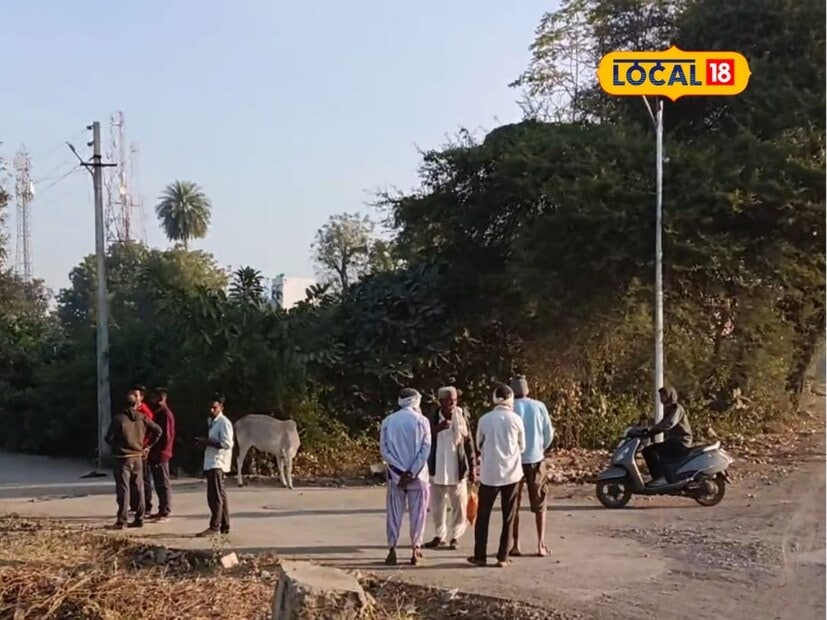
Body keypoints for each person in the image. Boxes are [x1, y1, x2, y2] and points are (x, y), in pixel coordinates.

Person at [468, 384, 525, 568]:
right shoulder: (516, 420)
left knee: (483, 516)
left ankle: (480, 556)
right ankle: (503, 557)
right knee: (508, 516)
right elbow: (522, 446)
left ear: (494, 398)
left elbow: (478, 444)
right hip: (512, 473)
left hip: (489, 474)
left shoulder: (485, 420)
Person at [379, 387, 432, 566]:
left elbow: (384, 451)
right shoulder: (422, 421)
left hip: (395, 477)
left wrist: (400, 471)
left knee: (394, 514)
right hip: (418, 476)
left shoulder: (388, 421)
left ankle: (392, 549)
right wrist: (411, 471)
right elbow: (426, 449)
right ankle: (415, 549)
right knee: (418, 514)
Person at [423, 386, 476, 551]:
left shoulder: (461, 416)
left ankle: (456, 537)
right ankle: (440, 536)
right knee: (437, 508)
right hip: (436, 470)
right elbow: (423, 438)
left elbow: (469, 443)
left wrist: (473, 466)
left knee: (459, 507)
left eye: (454, 400)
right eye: (449, 400)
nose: (453, 403)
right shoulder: (431, 418)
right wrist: (437, 429)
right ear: (441, 402)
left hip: (456, 470)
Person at [509, 375, 554, 558]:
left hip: (515, 461)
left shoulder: (509, 408)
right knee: (540, 503)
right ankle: (540, 544)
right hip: (536, 459)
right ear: (527, 390)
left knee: (514, 504)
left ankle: (515, 545)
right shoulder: (539, 406)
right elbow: (548, 433)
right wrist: (540, 447)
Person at [105, 392, 162, 529]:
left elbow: (108, 438)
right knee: (139, 488)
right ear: (136, 404)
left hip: (122, 458)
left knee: (124, 489)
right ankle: (139, 518)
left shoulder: (118, 419)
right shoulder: (142, 417)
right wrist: (147, 446)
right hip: (138, 456)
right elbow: (158, 430)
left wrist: (117, 444)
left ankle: (122, 520)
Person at [195, 395, 234, 536]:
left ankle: (215, 527)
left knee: (215, 496)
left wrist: (208, 442)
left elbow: (227, 443)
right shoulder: (212, 421)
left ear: (221, 408)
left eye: (215, 407)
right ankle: (225, 525)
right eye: (210, 407)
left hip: (218, 463)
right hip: (211, 461)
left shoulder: (224, 423)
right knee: (220, 495)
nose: (212, 410)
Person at [642, 386, 693, 487]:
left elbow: (669, 424)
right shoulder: (669, 409)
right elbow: (661, 425)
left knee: (651, 451)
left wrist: (652, 429)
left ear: (670, 395)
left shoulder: (676, 408)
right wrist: (647, 432)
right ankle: (661, 477)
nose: (661, 398)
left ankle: (660, 478)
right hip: (675, 440)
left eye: (664, 395)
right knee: (649, 450)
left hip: (681, 441)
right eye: (661, 396)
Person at [147, 388, 176, 522]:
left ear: (161, 399)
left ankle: (165, 511)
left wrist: (162, 452)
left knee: (163, 483)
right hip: (155, 454)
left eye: (154, 397)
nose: (151, 400)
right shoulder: (158, 413)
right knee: (158, 483)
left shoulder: (165, 414)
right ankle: (161, 509)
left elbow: (167, 436)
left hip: (161, 454)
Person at [129, 385, 157, 515]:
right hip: (132, 449)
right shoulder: (130, 411)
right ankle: (135, 505)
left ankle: (147, 506)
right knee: (133, 479)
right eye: (132, 395)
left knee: (144, 478)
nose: (134, 397)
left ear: (141, 397)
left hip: (141, 449)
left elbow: (153, 431)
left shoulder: (145, 412)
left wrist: (147, 446)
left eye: (136, 395)